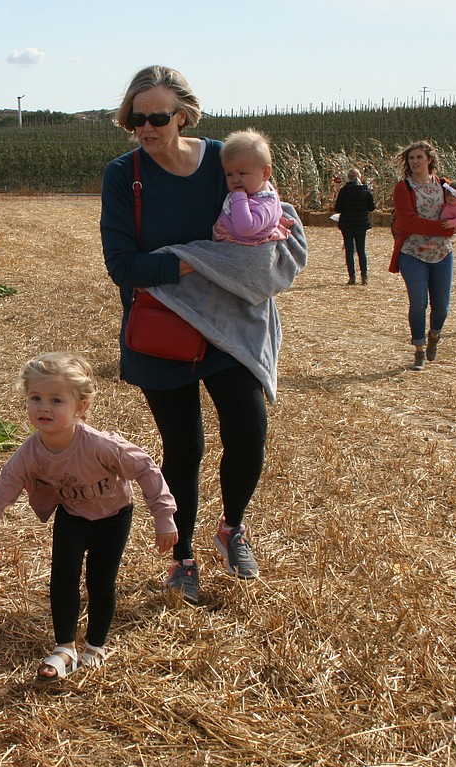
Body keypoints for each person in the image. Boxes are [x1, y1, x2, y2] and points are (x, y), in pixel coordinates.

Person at [99, 65, 307, 604]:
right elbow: (123, 265)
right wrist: (203, 260)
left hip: (229, 326)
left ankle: (232, 527)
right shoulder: (125, 176)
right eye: (136, 117)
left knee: (249, 431)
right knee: (184, 447)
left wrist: (206, 262)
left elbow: (273, 220)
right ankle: (182, 558)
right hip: (163, 332)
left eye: (158, 116)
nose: (146, 126)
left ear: (183, 115)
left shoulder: (225, 160)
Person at [0, 352, 177, 681]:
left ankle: (95, 647)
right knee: (62, 579)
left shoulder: (101, 446)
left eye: (56, 400)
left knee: (100, 583)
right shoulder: (28, 455)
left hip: (113, 517)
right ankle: (64, 647)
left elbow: (145, 468)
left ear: (81, 406)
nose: (43, 407)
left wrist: (164, 515)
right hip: (72, 516)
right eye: (36, 398)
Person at [389, 140, 456, 370]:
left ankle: (434, 335)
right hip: (412, 252)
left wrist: (455, 227)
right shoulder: (403, 188)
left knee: (442, 306)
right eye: (411, 158)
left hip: (442, 253)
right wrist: (445, 228)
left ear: (430, 160)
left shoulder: (445, 186)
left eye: (419, 158)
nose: (414, 162)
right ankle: (419, 351)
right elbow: (407, 222)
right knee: (418, 303)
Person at [213, 128, 283, 245]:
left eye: (242, 173)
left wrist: (238, 197)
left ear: (265, 173)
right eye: (229, 174)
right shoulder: (256, 189)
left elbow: (246, 228)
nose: (235, 180)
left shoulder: (265, 203)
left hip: (241, 247)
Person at [333, 167, 376, 285]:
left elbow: (338, 208)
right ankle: (364, 276)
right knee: (361, 250)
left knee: (349, 250)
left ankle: (352, 276)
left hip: (347, 224)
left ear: (349, 178)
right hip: (361, 223)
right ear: (359, 177)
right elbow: (372, 207)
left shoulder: (344, 191)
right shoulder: (366, 190)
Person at [415, 179, 456, 254]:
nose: (449, 201)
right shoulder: (451, 204)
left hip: (447, 225)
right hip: (443, 223)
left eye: (452, 200)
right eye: (448, 199)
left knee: (438, 236)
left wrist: (451, 223)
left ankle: (430, 245)